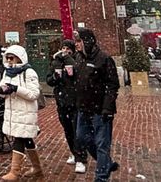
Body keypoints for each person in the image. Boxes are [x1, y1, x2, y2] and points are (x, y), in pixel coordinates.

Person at [74, 28, 120, 182]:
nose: (76, 44)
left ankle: (101, 177)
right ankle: (106, 163)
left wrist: (107, 107)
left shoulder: (104, 59)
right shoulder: (79, 58)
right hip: (84, 108)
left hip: (100, 109)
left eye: (79, 41)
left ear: (87, 42)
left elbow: (112, 85)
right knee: (82, 138)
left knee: (102, 143)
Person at [0, 44, 43, 180]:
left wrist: (16, 89)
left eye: (12, 58)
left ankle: (15, 172)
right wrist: (2, 90)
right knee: (27, 139)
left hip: (25, 113)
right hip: (13, 112)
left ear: (19, 58)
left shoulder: (29, 73)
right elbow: (1, 89)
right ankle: (37, 169)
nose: (9, 60)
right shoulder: (7, 72)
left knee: (19, 139)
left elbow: (34, 94)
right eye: (7, 58)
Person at [48, 39, 88, 173]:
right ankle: (74, 153)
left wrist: (67, 59)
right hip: (62, 102)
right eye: (63, 48)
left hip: (75, 102)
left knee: (77, 131)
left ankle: (81, 158)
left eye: (68, 48)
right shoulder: (56, 62)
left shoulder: (77, 60)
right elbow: (49, 80)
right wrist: (55, 77)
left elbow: (78, 75)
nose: (65, 51)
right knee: (68, 131)